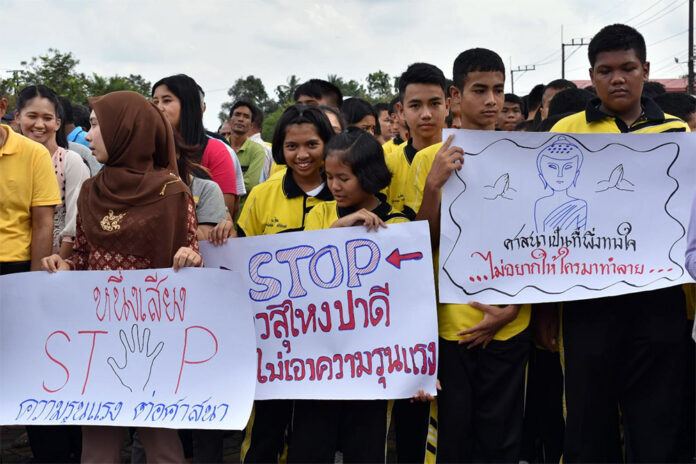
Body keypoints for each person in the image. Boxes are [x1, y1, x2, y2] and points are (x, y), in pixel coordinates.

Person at [546, 24, 690, 463]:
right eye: (605, 71)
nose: (618, 79)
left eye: (628, 68)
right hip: (589, 303)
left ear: (647, 70)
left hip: (661, 301)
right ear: (591, 77)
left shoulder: (679, 134)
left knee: (659, 420)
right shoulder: (564, 132)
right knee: (589, 424)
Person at [41, 90, 202, 464]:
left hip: (154, 338)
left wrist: (190, 258)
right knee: (96, 443)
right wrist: (63, 265)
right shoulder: (91, 190)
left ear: (126, 131)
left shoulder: (171, 192)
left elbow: (191, 260)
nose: (89, 134)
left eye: (97, 126)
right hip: (97, 335)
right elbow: (82, 255)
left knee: (161, 443)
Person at [406, 48, 531, 462]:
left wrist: (514, 307)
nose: (492, 101)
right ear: (457, 96)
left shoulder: (524, 153)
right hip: (450, 325)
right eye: (480, 90)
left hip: (512, 321)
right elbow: (421, 245)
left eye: (498, 90)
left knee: (502, 439)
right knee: (454, 438)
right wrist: (435, 187)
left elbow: (539, 244)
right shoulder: (428, 158)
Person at [289, 127, 409, 463]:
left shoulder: (398, 225)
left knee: (366, 451)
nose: (334, 186)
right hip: (319, 364)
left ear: (369, 175)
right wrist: (336, 234)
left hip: (371, 368)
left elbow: (408, 302)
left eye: (343, 178)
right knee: (309, 449)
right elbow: (302, 286)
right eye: (328, 177)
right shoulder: (319, 215)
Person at [237, 105, 334, 463]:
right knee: (265, 432)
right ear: (280, 148)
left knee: (314, 434)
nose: (302, 155)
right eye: (292, 146)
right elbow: (240, 254)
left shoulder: (345, 191)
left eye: (312, 144)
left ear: (328, 143)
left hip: (329, 343)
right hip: (272, 342)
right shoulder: (263, 195)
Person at [0, 92, 64, 463]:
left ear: (4, 107)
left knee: (31, 372)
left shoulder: (33, 153)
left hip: (17, 270)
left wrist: (34, 283)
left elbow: (43, 222)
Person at [152, 74, 244, 217]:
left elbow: (223, 218)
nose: (159, 108)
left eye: (167, 100)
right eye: (155, 101)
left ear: (188, 106)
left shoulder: (216, 150)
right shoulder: (148, 148)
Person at [16, 86, 90, 260]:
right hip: (14, 260)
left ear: (58, 122)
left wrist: (60, 264)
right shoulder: (8, 159)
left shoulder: (70, 161)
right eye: (32, 116)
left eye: (47, 118)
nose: (39, 125)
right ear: (18, 117)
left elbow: (75, 221)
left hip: (54, 262)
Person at [388, 62, 450, 219]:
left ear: (447, 106)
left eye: (435, 104)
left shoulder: (464, 156)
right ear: (401, 111)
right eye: (415, 105)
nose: (426, 114)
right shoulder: (386, 166)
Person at [227, 101, 267, 212]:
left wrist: (221, 184)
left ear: (251, 124)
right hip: (217, 214)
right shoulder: (219, 147)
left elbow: (249, 185)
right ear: (230, 120)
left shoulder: (257, 150)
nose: (241, 119)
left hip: (244, 216)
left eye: (246, 116)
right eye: (237, 114)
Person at [246, 105, 274, 182]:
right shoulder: (269, 148)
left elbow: (258, 182)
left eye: (244, 116)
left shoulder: (256, 148)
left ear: (250, 124)